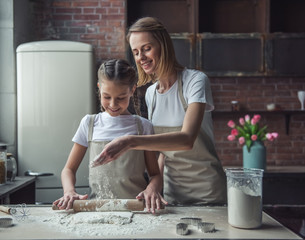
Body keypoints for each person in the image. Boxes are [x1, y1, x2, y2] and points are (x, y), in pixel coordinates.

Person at [92, 17, 227, 205]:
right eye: (136, 52)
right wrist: (154, 185)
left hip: (208, 192)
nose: (141, 57)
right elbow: (164, 151)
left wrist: (129, 141)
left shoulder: (195, 81)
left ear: (163, 45)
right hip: (173, 195)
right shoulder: (151, 94)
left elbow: (186, 139)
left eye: (147, 48)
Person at [53, 59, 166, 212]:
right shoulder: (90, 123)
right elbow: (68, 170)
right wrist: (69, 191)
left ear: (132, 90)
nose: (113, 104)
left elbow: (155, 175)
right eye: (107, 97)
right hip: (97, 210)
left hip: (136, 209)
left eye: (120, 98)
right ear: (99, 89)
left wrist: (152, 189)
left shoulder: (143, 126)